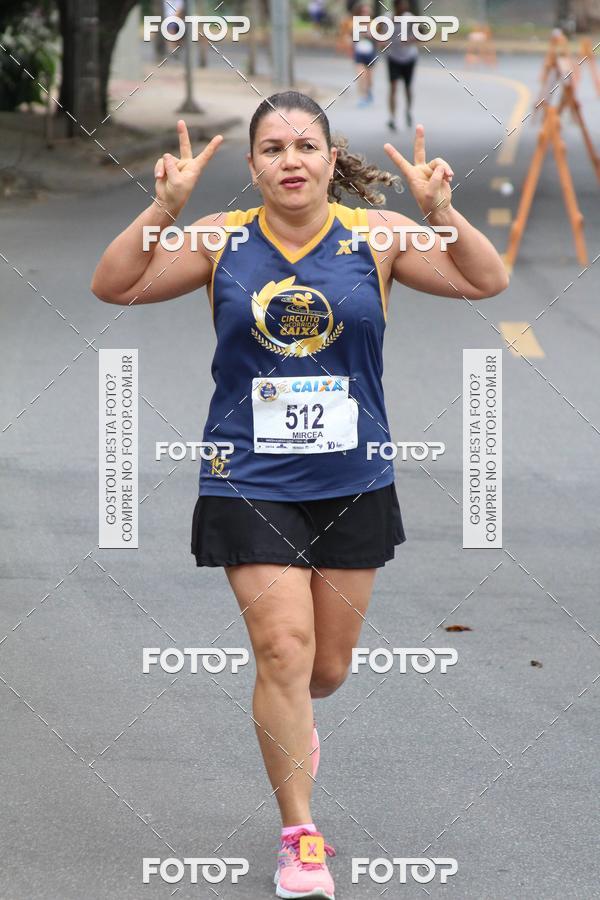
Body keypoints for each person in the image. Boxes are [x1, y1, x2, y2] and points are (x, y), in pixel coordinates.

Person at [91, 91, 509, 899]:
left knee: (325, 670)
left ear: (328, 160)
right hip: (247, 476)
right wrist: (162, 209)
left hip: (353, 478)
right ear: (253, 167)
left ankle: (298, 728)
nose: (291, 160)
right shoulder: (220, 241)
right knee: (282, 652)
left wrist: (442, 209)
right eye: (273, 148)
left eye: (305, 146)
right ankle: (300, 835)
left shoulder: (376, 237)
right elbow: (117, 285)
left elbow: (483, 280)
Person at [379, 0, 419, 130]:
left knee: (407, 87)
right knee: (393, 86)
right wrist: (383, 42)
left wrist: (409, 40)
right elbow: (380, 35)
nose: (405, 6)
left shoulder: (410, 19)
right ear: (396, 5)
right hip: (393, 57)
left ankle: (408, 111)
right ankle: (392, 118)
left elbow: (419, 36)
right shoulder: (386, 18)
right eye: (402, 4)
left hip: (409, 57)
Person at [338, 1, 378, 107]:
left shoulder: (373, 23)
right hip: (359, 53)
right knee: (361, 75)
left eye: (367, 12)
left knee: (369, 79)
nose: (365, 14)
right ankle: (362, 97)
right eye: (362, 12)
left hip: (371, 53)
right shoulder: (353, 23)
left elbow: (380, 39)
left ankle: (368, 91)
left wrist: (371, 35)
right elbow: (347, 37)